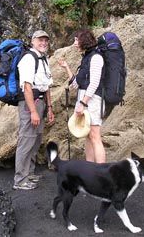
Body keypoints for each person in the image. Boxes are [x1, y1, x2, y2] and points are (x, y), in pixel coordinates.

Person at [13, 30, 55, 190]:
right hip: (30, 104)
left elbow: (47, 86)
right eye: (40, 40)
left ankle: (29, 173)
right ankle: (20, 180)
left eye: (46, 40)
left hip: (42, 103)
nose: (44, 43)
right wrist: (33, 111)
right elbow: (27, 88)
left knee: (36, 140)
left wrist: (49, 108)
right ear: (32, 41)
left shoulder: (43, 59)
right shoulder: (28, 59)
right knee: (26, 140)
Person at [58, 29, 106, 163]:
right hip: (86, 99)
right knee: (89, 136)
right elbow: (77, 84)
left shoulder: (96, 57)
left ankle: (101, 172)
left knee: (95, 137)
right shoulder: (86, 58)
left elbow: (95, 83)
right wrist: (66, 67)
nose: (74, 44)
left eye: (76, 40)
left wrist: (83, 104)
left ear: (84, 41)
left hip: (93, 101)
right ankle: (90, 169)